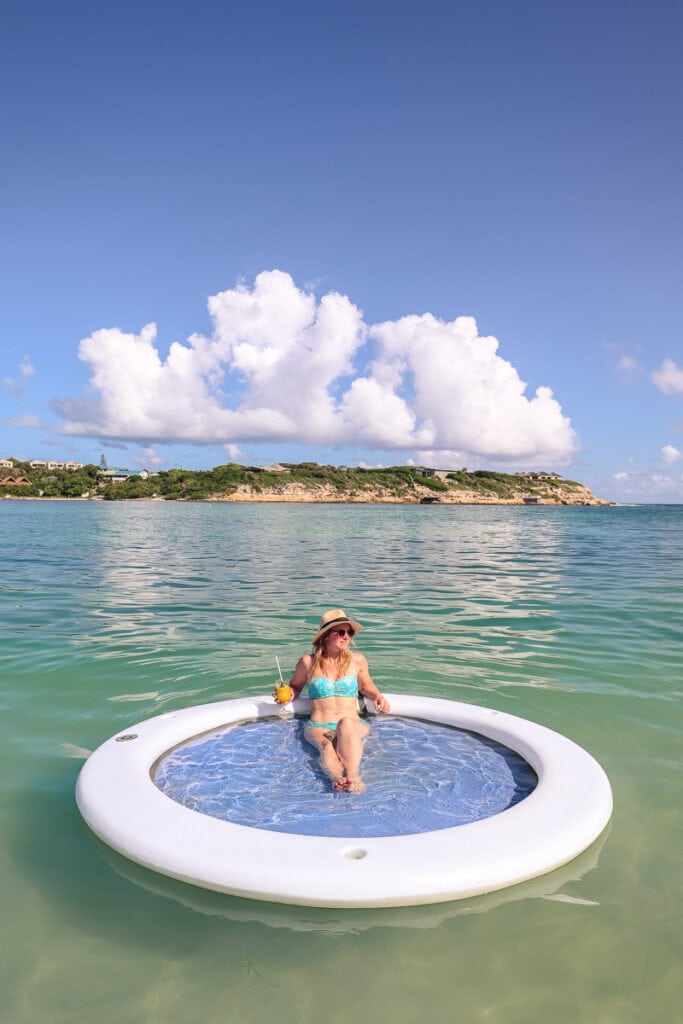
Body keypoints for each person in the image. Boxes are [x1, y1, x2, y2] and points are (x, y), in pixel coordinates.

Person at [278, 609, 390, 793]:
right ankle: (338, 780)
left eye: (349, 632)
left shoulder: (358, 660)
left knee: (346, 724)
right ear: (325, 636)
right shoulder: (308, 662)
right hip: (318, 725)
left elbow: (365, 686)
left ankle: (353, 777)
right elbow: (296, 687)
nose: (346, 637)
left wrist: (377, 696)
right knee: (326, 746)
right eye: (340, 632)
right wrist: (288, 695)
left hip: (353, 723)